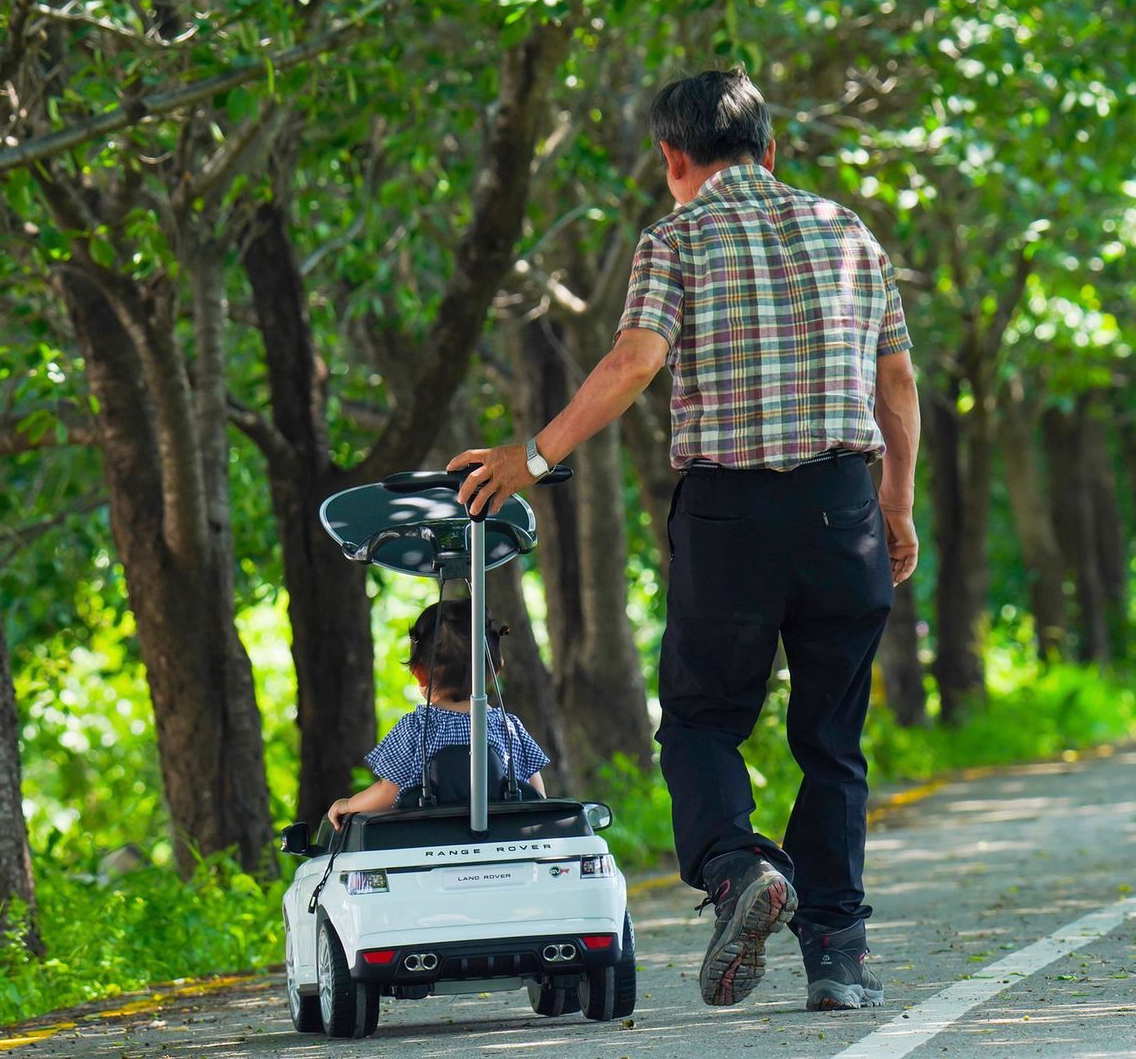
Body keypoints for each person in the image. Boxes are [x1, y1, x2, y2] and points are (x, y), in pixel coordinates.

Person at [446, 67, 920, 1013]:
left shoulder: (676, 237)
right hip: (842, 511)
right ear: (771, 151)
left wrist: (532, 459)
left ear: (673, 158)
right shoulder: (850, 234)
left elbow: (635, 360)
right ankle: (837, 954)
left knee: (703, 720)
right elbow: (896, 385)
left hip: (731, 517)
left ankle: (738, 865)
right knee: (832, 740)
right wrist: (898, 508)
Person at [326, 599, 549, 829]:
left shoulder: (415, 727)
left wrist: (348, 805)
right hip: (502, 844)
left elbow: (386, 794)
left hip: (425, 848)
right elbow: (537, 795)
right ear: (495, 670)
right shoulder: (508, 726)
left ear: (420, 673)